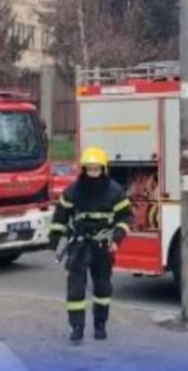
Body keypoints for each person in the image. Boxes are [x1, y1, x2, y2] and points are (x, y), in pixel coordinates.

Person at [48, 146, 132, 343]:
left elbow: (125, 217)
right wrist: (53, 240)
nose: (92, 173)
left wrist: (117, 239)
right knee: (75, 289)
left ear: (103, 169)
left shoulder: (114, 190)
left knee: (103, 288)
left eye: (96, 169)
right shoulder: (73, 191)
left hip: (103, 246)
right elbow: (60, 215)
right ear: (83, 170)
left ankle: (100, 325)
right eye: (89, 169)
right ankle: (76, 328)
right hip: (79, 245)